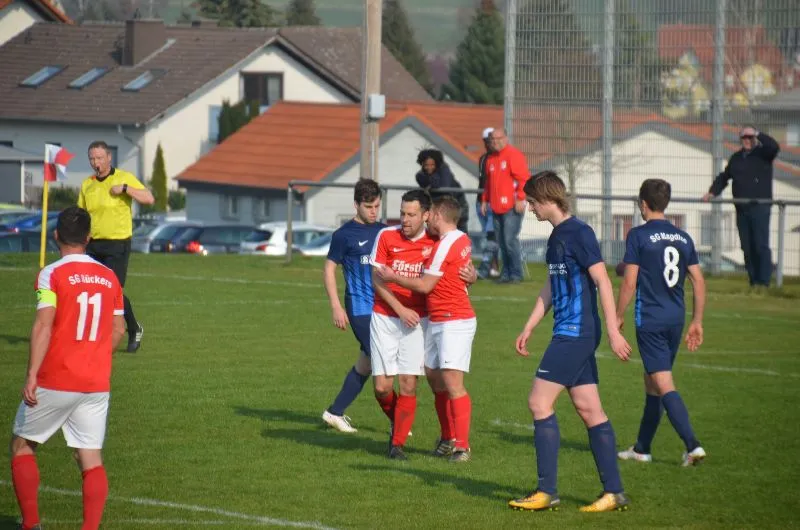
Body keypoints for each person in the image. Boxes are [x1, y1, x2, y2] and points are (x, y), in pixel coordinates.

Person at [508, 171, 632, 513]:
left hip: (576, 333)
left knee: (538, 402)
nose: (530, 208)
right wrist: (530, 326)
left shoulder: (579, 233)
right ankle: (615, 493)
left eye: (532, 202)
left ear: (548, 199)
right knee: (590, 409)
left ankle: (546, 491)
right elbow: (552, 285)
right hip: (567, 331)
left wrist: (614, 330)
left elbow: (602, 280)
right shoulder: (556, 237)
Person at [9, 206, 126, 530]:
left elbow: (43, 325)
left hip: (56, 377)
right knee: (89, 457)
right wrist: (95, 355)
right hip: (96, 382)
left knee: (22, 446)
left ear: (56, 235)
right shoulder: (109, 276)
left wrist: (31, 375)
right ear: (89, 238)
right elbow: (119, 329)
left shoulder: (51, 274)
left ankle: (31, 524)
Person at [377, 195, 476, 463]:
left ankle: (462, 447)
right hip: (437, 320)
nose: (427, 218)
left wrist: (393, 276)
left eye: (429, 214)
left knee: (453, 383)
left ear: (438, 215)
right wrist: (473, 275)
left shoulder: (446, 245)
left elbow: (424, 286)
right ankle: (447, 437)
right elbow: (464, 269)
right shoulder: (461, 239)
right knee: (434, 377)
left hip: (454, 320)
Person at [616, 179, 707, 467]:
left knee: (663, 383)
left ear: (643, 204)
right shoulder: (683, 237)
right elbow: (698, 281)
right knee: (653, 382)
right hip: (675, 319)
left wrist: (617, 315)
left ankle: (692, 446)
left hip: (651, 319)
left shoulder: (638, 235)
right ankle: (642, 448)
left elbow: (629, 282)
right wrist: (697, 321)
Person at [369, 190, 436, 459]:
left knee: (408, 383)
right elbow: (376, 278)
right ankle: (398, 422)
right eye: (402, 214)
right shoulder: (386, 236)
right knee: (382, 388)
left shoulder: (435, 242)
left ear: (426, 215)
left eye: (411, 215)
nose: (405, 220)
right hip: (385, 317)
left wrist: (473, 275)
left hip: (418, 321)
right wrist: (400, 308)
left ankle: (396, 445)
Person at [321, 179, 386, 433]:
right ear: (356, 205)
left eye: (377, 206)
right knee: (384, 360)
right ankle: (398, 419)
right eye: (368, 207)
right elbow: (329, 269)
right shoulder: (343, 235)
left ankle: (334, 412)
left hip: (383, 308)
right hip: (359, 309)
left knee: (366, 364)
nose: (373, 211)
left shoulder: (384, 232)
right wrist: (336, 306)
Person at [78, 140, 154, 352]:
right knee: (93, 290)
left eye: (99, 158)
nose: (96, 162)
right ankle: (95, 335)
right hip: (93, 245)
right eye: (92, 158)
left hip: (118, 244)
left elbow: (149, 198)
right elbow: (81, 214)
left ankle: (133, 328)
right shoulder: (87, 184)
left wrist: (126, 189)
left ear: (109, 158)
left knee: (112, 291)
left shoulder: (123, 177)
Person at [702, 126, 780, 289]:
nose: (747, 140)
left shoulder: (763, 154)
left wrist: (757, 133)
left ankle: (764, 282)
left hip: (759, 207)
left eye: (750, 137)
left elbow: (774, 146)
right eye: (744, 137)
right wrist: (712, 192)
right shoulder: (736, 158)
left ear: (755, 138)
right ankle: (753, 281)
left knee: (760, 244)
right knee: (747, 246)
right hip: (742, 208)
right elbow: (724, 177)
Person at [481, 128, 530, 284]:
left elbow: (523, 179)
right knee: (502, 242)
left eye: (498, 138)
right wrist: (484, 200)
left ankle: (516, 274)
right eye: (493, 139)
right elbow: (488, 183)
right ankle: (506, 273)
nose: (495, 142)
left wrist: (520, 198)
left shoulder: (514, 155)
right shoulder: (490, 158)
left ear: (506, 138)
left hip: (511, 206)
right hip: (495, 206)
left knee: (509, 240)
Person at [415, 149, 469, 233]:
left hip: (457, 205)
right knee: (439, 231)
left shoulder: (444, 169)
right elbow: (423, 181)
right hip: (438, 208)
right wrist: (431, 183)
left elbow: (444, 185)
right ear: (421, 164)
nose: (429, 167)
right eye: (426, 165)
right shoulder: (420, 175)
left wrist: (431, 183)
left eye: (432, 165)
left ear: (437, 163)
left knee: (460, 232)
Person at [477, 127, 500, 280]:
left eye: (491, 141)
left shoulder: (499, 159)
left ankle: (489, 267)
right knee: (488, 235)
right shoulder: (483, 159)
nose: (489, 144)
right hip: (481, 202)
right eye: (487, 141)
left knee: (491, 235)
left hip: (494, 203)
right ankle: (493, 266)